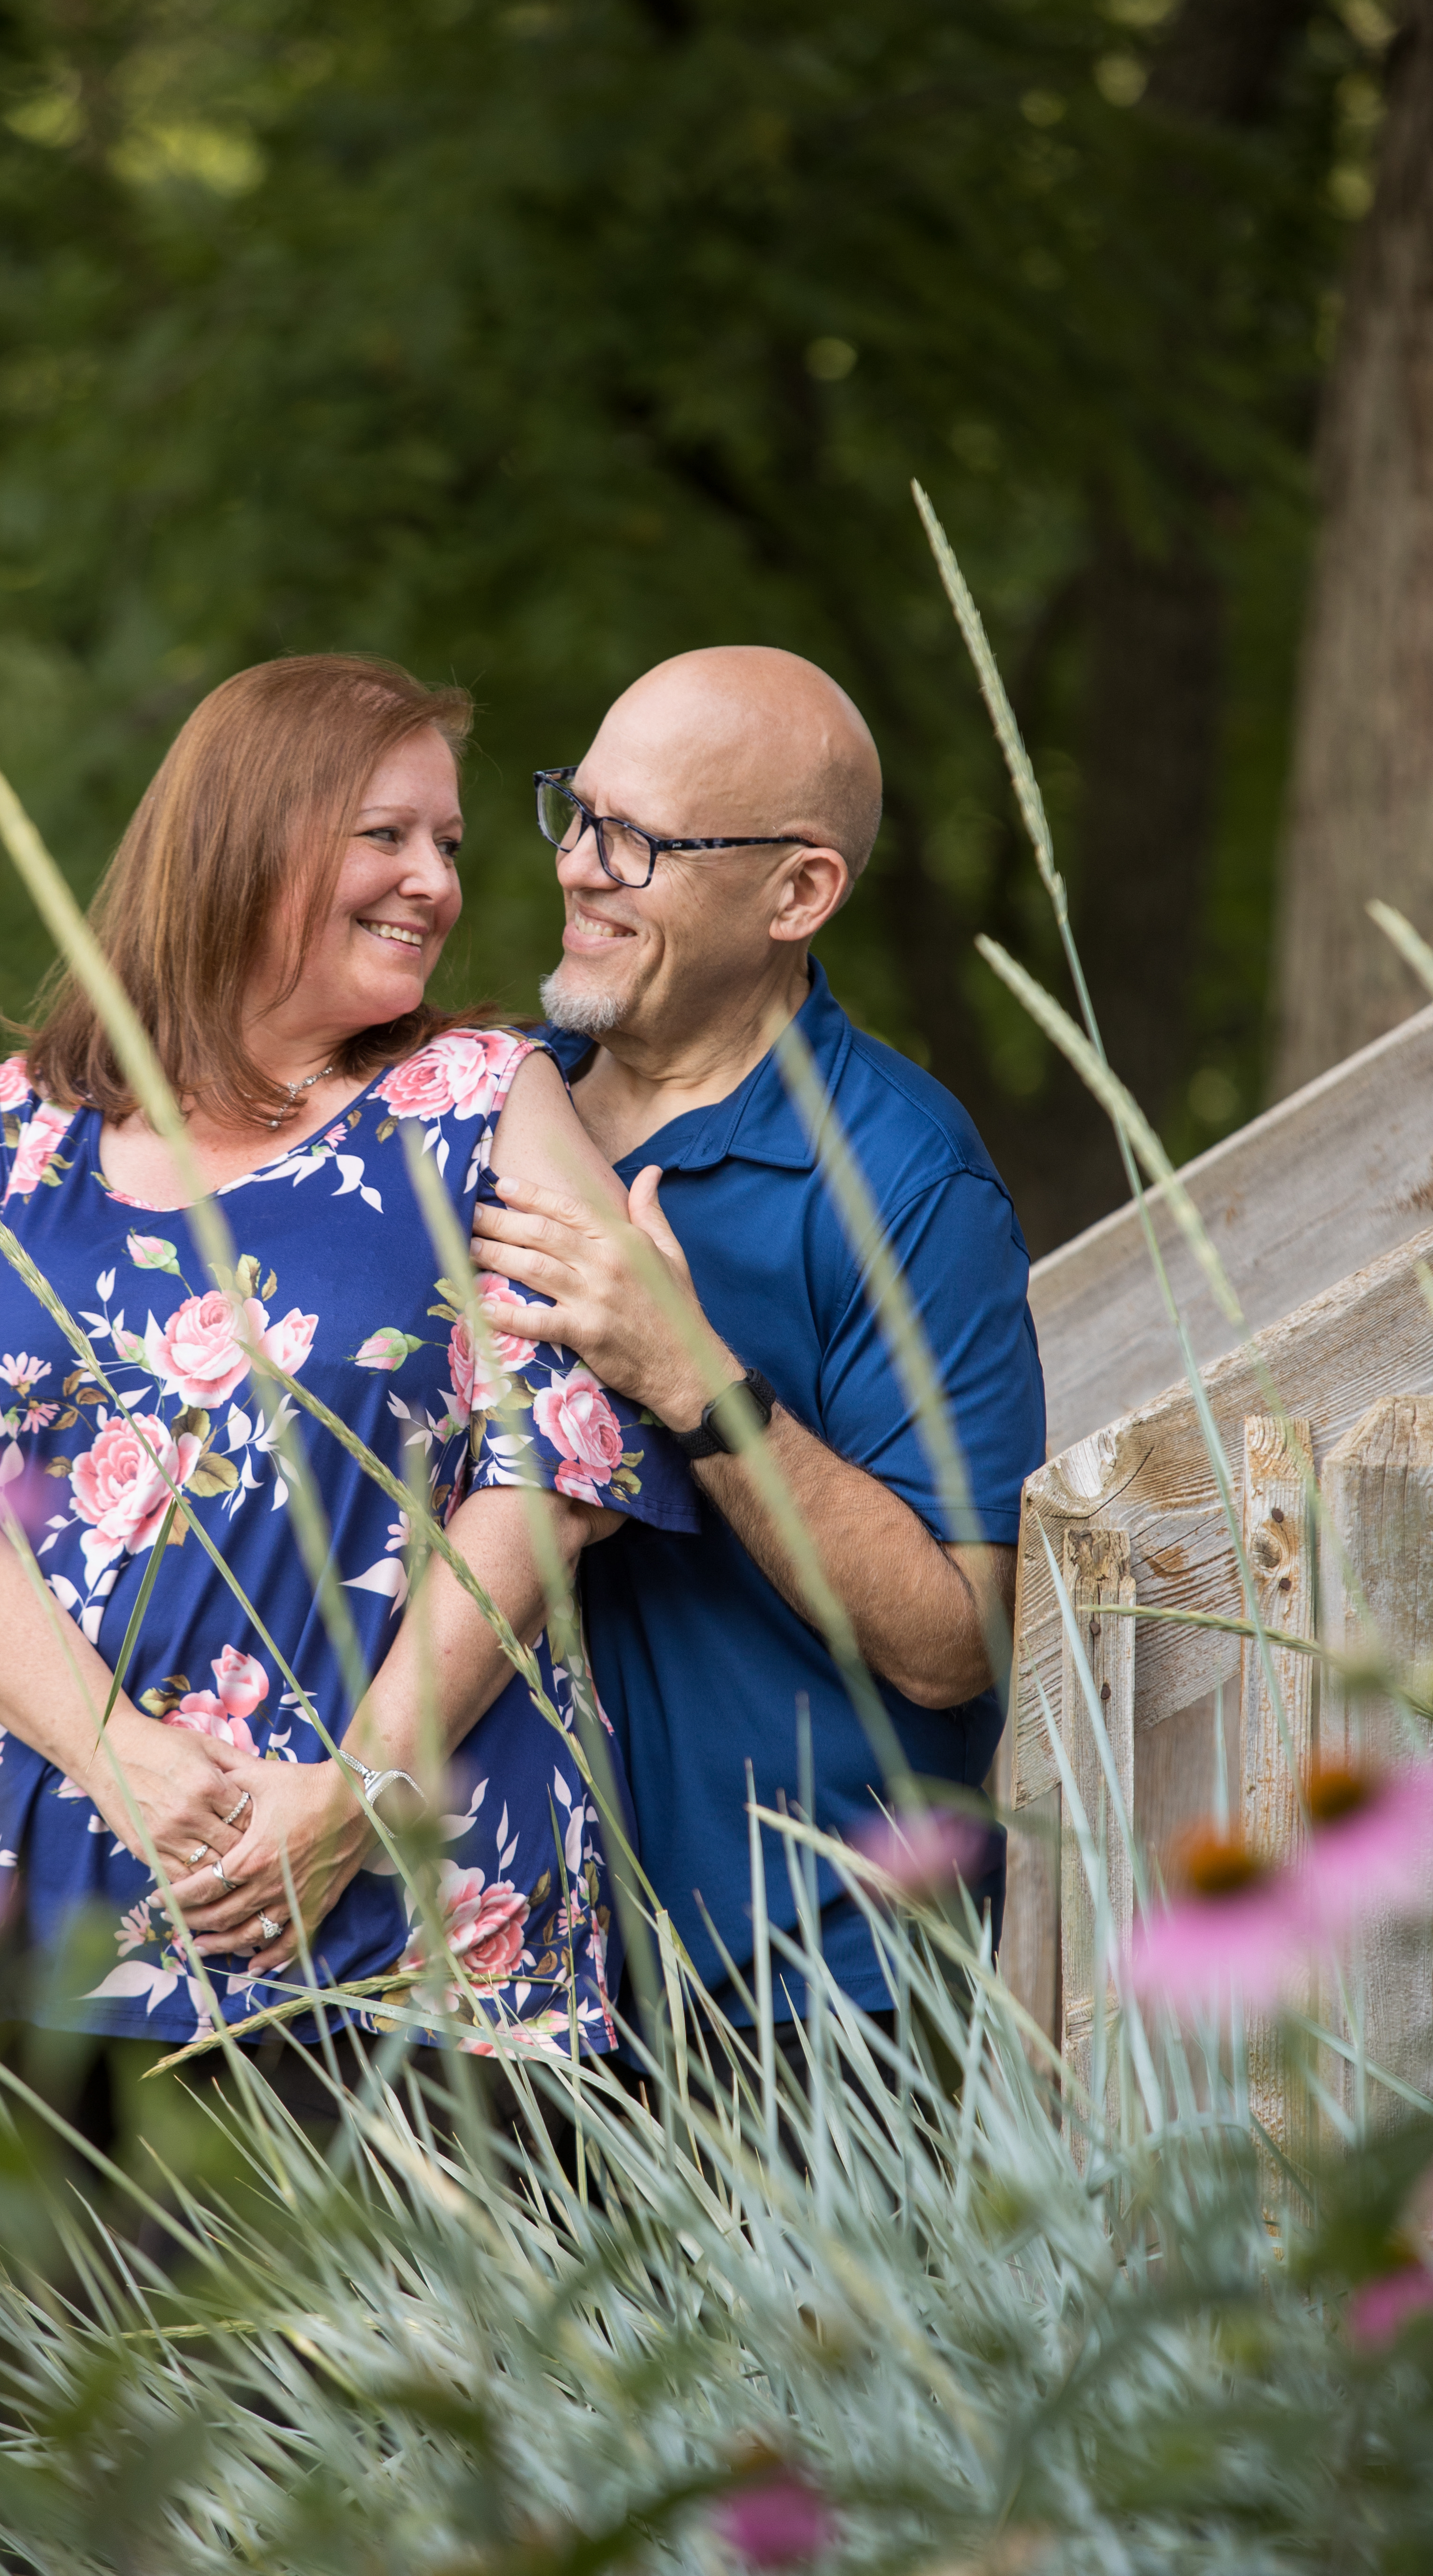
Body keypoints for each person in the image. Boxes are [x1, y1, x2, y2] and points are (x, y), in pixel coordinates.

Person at [0, 653, 695, 2135]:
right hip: (40, 1928)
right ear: (248, 838)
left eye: (451, 848)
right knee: (50, 2375)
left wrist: (355, 1793)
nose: (436, 883)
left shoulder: (481, 1104)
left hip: (401, 1940)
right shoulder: (23, 1121)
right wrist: (120, 1754)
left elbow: (561, 1464)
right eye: (388, 836)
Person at [469, 645, 1045, 2068]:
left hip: (811, 2005)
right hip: (508, 1995)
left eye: (642, 842)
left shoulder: (904, 1181)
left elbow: (957, 1640)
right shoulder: (478, 1108)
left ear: (799, 893)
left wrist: (692, 1380)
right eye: (577, 813)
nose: (582, 869)